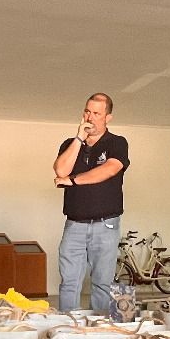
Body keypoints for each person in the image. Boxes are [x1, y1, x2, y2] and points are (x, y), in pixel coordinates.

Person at [53, 93, 130, 312]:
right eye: (87, 111)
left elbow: (109, 169)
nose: (91, 117)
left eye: (97, 113)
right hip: (74, 224)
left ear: (108, 117)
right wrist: (78, 139)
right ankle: (68, 332)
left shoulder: (117, 143)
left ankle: (100, 332)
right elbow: (60, 170)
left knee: (102, 284)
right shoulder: (70, 144)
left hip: (106, 224)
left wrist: (73, 181)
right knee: (69, 283)